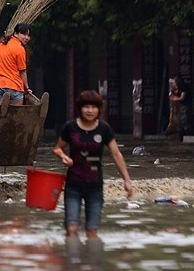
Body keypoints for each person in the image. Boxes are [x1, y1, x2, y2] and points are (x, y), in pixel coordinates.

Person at [54, 90, 134, 242]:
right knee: (72, 230)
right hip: (73, 185)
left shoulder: (104, 129)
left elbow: (116, 154)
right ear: (80, 108)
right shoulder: (70, 127)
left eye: (93, 107)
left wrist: (127, 180)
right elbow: (58, 148)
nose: (90, 111)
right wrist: (63, 156)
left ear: (99, 109)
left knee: (92, 233)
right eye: (86, 107)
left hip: (95, 186)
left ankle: (91, 262)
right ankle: (72, 260)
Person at [0, 23, 32, 105]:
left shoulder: (1, 45)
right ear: (15, 33)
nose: (26, 38)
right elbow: (22, 72)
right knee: (14, 117)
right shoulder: (20, 49)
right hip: (14, 87)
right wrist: (27, 88)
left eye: (28, 35)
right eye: (23, 34)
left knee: (1, 116)